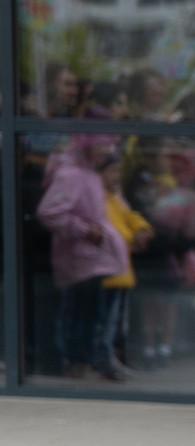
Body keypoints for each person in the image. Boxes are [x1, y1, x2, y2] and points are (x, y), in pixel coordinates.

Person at [38, 135, 129, 380]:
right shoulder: (72, 175)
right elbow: (49, 212)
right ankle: (76, 361)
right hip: (80, 259)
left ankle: (87, 360)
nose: (107, 150)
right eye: (103, 145)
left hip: (95, 259)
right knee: (80, 313)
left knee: (93, 314)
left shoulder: (90, 175)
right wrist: (84, 230)